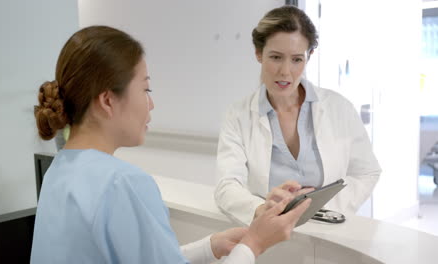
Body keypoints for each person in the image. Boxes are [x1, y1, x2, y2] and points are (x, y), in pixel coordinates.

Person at [30, 25, 311, 264]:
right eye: (145, 89)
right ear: (107, 100)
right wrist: (254, 245)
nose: (151, 104)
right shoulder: (123, 185)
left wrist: (208, 247)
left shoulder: (58, 171)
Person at [214, 5, 381, 226]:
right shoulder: (238, 116)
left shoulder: (339, 108)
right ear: (258, 53)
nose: (285, 71)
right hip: (269, 232)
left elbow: (367, 171)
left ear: (309, 56)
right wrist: (261, 208)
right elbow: (227, 186)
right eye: (275, 57)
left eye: (296, 59)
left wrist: (318, 208)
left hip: (329, 233)